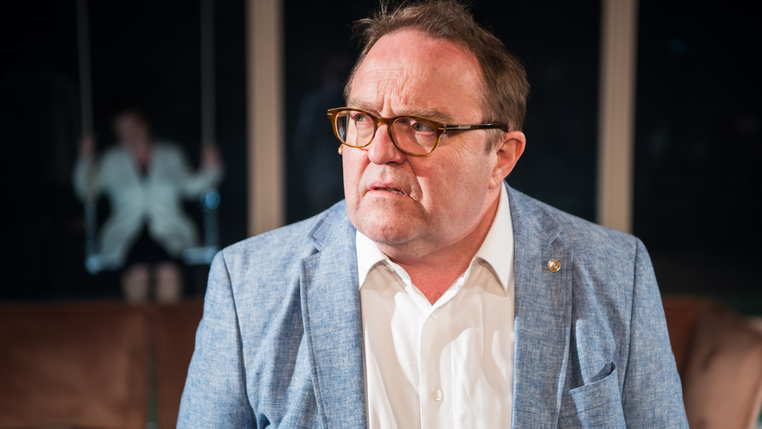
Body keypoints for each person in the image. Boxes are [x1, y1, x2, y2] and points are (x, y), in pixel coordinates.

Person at [179, 1, 689, 427]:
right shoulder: (249, 287)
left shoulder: (616, 273)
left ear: (501, 156)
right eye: (362, 119)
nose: (379, 151)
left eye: (420, 126)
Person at [73, 108, 223, 302]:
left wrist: (211, 167)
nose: (131, 133)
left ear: (145, 125)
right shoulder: (112, 159)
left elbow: (194, 187)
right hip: (127, 232)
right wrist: (85, 159)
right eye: (123, 130)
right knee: (138, 271)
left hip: (168, 229)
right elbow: (87, 190)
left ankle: (167, 321)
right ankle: (138, 321)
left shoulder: (171, 154)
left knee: (168, 271)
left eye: (133, 126)